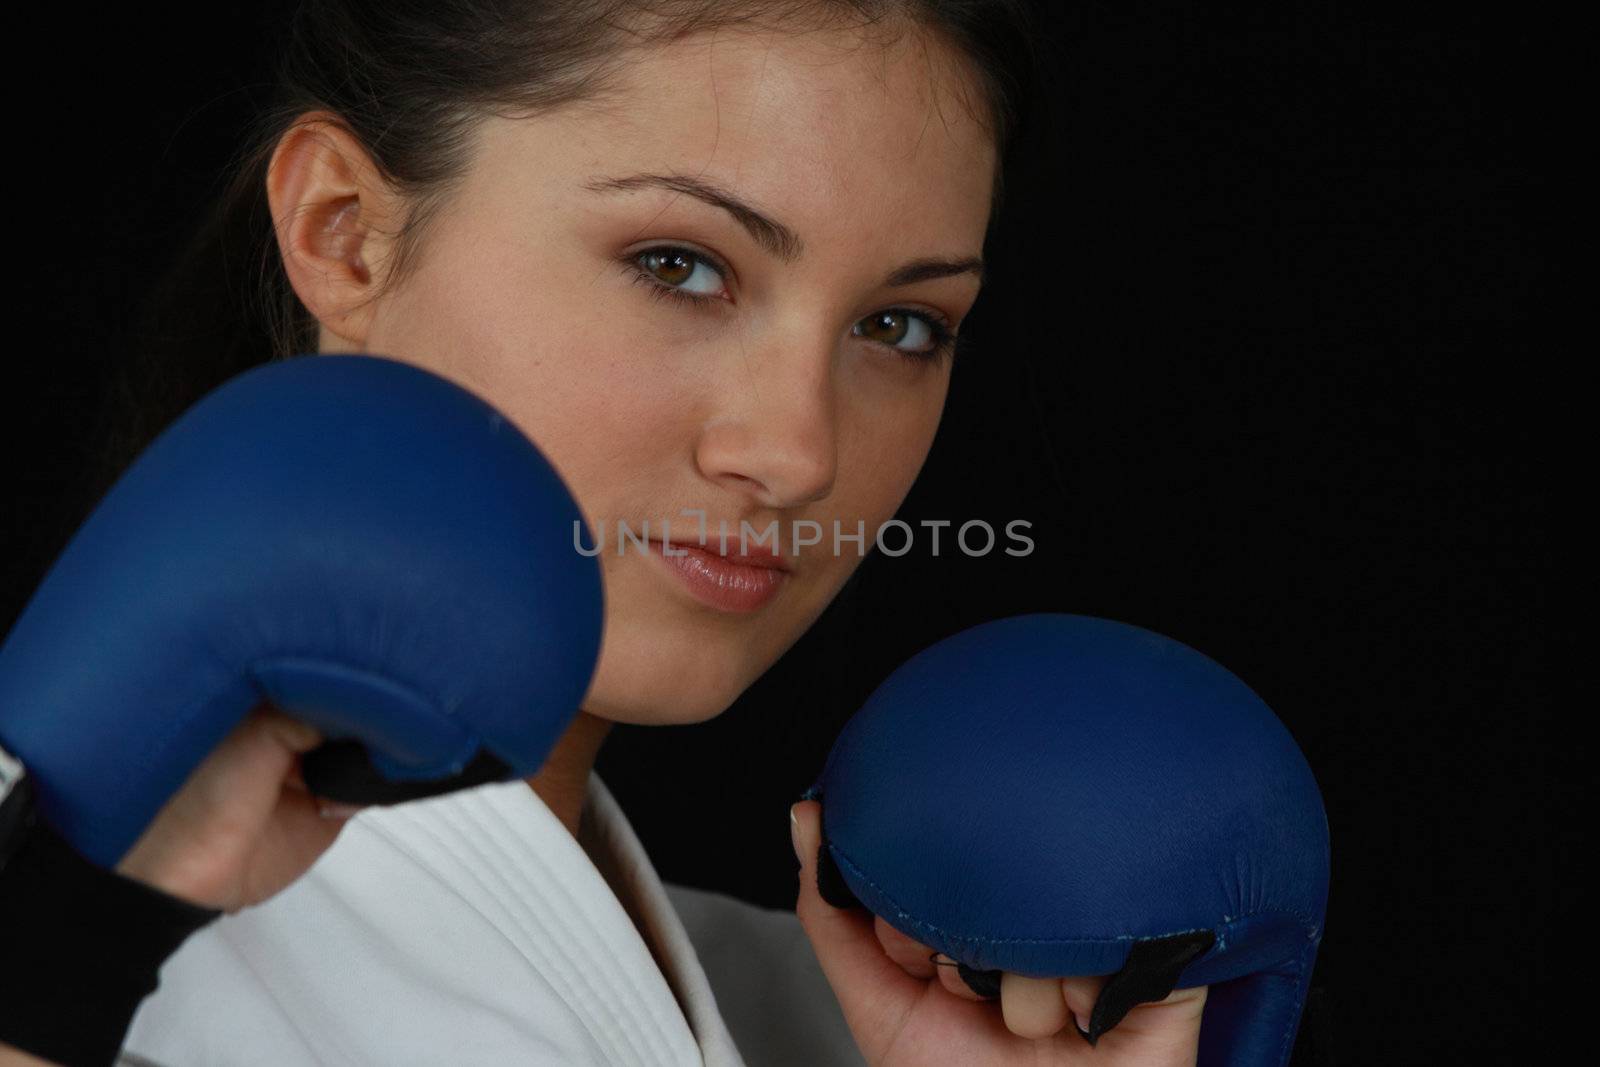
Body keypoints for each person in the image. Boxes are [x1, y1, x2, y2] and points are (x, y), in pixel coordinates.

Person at [2, 1, 1211, 1063]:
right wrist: (59, 956)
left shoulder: (829, 1015)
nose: (797, 453)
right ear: (343, 231)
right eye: (679, 264)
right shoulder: (52, 954)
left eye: (899, 327)